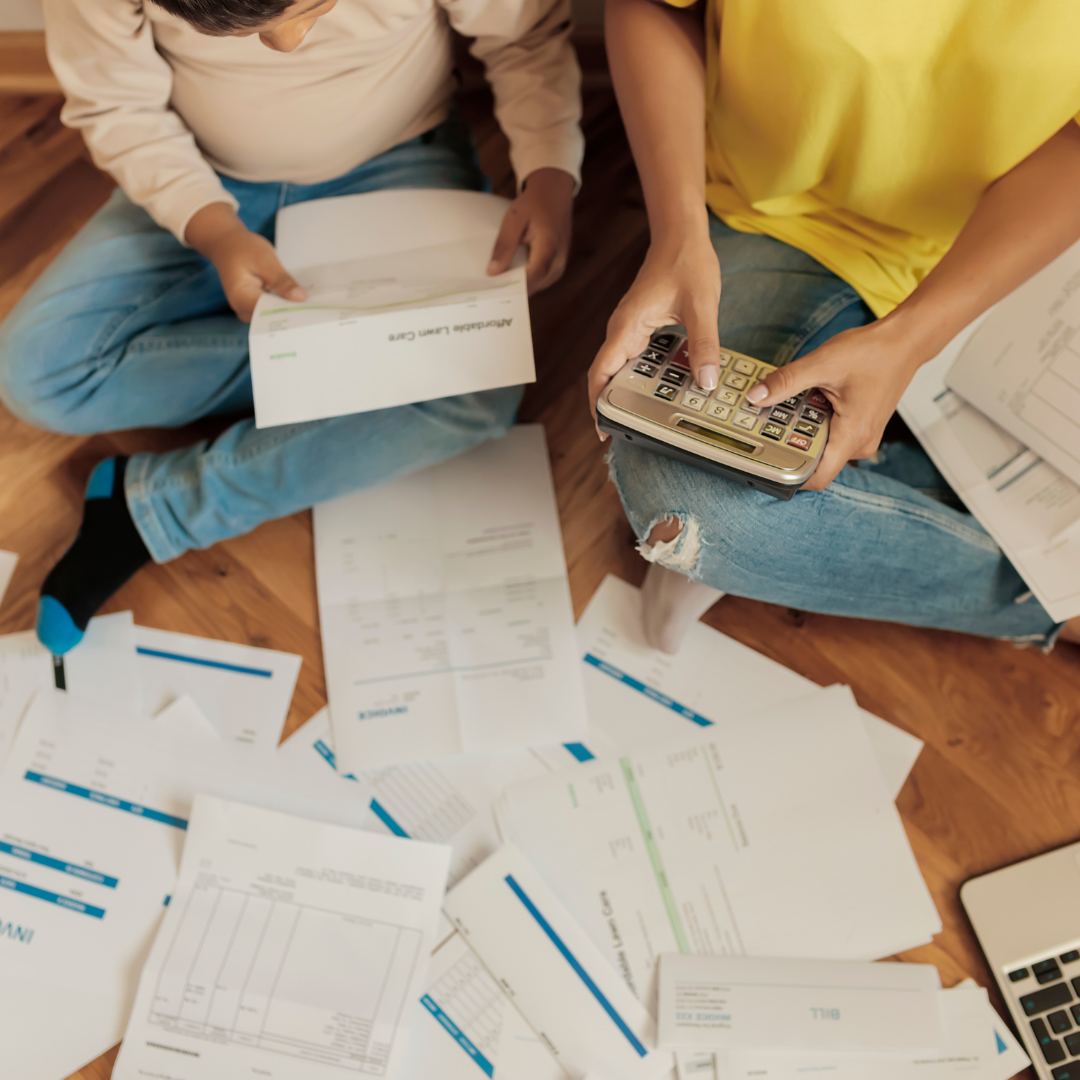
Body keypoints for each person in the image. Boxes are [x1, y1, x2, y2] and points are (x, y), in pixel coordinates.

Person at [0, 0, 582, 654]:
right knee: (33, 373)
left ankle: (157, 510)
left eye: (310, 8)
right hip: (195, 173)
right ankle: (351, 362)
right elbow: (117, 105)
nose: (285, 43)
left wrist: (550, 168)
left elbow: (525, 41)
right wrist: (212, 228)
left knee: (479, 388)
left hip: (394, 161)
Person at [589, 0, 1080, 654]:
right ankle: (1050, 592)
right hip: (775, 217)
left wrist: (910, 338)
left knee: (711, 499)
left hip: (1000, 257)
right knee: (678, 501)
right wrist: (676, 231)